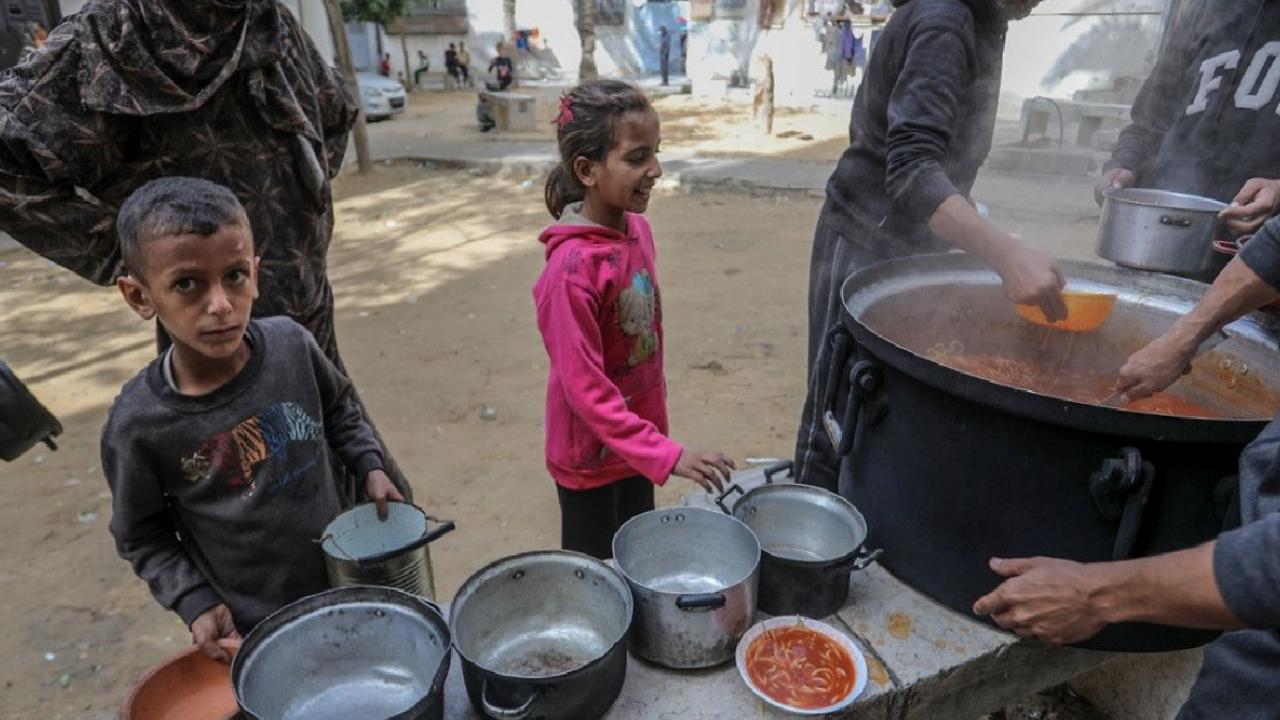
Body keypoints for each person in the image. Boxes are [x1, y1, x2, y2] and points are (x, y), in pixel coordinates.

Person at [0, 0, 410, 498]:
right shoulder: (114, 34)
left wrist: (302, 210)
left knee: (373, 507)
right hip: (216, 361)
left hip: (309, 322)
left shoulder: (265, 20)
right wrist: (135, 253)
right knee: (262, 523)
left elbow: (332, 113)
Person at [103, 177, 404, 662]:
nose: (220, 304)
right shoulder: (140, 424)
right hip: (259, 627)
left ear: (256, 274)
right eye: (186, 284)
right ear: (140, 297)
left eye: (235, 276)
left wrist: (369, 465)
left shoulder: (292, 345)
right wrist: (196, 601)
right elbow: (141, 534)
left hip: (351, 578)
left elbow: (339, 410)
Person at [794, 0, 1066, 492]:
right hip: (864, 239)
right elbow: (913, 172)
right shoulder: (946, 20)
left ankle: (864, 518)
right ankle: (806, 547)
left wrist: (975, 224)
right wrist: (1006, 254)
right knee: (834, 412)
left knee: (882, 407)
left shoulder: (986, 18)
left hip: (910, 243)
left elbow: (942, 157)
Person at [534, 80, 736, 559]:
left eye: (656, 153)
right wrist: (670, 455)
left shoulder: (638, 231)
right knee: (600, 584)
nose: (656, 170)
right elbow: (586, 391)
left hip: (635, 448)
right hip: (588, 461)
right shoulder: (570, 273)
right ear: (586, 169)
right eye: (637, 157)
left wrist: (653, 446)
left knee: (639, 559)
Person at [1095, 0, 1280, 237]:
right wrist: (1124, 164)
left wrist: (1277, 190)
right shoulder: (1206, 8)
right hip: (1163, 229)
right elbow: (1150, 120)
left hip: (1262, 249)